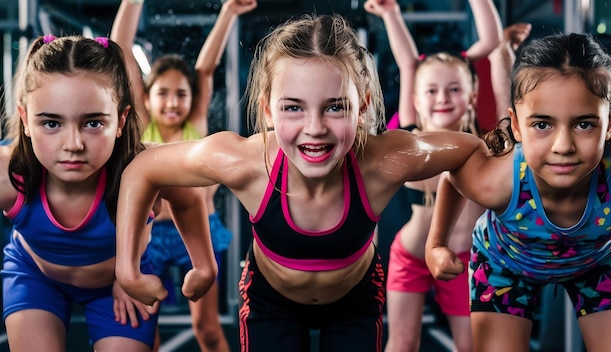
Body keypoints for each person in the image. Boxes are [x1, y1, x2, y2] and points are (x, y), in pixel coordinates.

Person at [114, 14, 493, 352]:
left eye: (335, 107)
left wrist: (438, 241)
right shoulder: (246, 162)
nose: (315, 128)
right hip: (270, 302)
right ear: (267, 109)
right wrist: (128, 268)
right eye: (293, 107)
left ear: (361, 106)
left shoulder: (385, 160)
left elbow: (470, 151)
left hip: (355, 303)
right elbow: (143, 168)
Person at [0, 35, 216, 352]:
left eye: (92, 123)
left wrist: (204, 266)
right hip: (35, 277)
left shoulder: (144, 167)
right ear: (25, 120)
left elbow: (189, 199)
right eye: (51, 123)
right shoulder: (9, 173)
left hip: (123, 285)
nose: (73, 144)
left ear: (120, 120)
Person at [425, 32, 611, 351]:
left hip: (600, 259)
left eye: (584, 124)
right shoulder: (497, 179)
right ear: (516, 126)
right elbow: (453, 177)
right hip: (505, 262)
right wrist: (436, 244)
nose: (564, 146)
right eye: (543, 125)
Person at [111, 1, 257, 351]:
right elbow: (120, 47)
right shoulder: (143, 127)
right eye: (163, 93)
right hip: (151, 237)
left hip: (198, 231)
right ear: (146, 98)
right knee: (146, 331)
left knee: (207, 328)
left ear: (192, 100)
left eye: (181, 94)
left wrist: (229, 13)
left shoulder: (196, 126)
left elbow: (205, 69)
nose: (173, 103)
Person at [364, 0, 501, 351]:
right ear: (416, 100)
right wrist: (391, 15)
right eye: (432, 91)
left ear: (472, 96)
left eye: (454, 89)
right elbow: (408, 63)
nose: (442, 98)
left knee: (471, 346)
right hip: (410, 253)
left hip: (465, 257)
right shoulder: (411, 136)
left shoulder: (484, 142)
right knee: (402, 343)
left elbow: (493, 42)